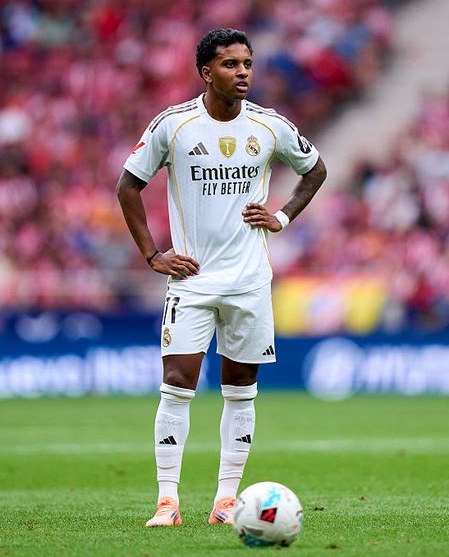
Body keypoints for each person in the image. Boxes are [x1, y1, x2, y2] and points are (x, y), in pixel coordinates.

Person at [116, 28, 327, 527]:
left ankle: (226, 500)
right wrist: (152, 255)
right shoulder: (174, 125)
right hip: (192, 280)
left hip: (250, 281)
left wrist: (282, 217)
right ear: (206, 72)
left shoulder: (270, 126)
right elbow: (127, 186)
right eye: (231, 64)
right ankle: (167, 501)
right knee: (176, 382)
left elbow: (315, 170)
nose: (243, 73)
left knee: (241, 387)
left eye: (247, 63)